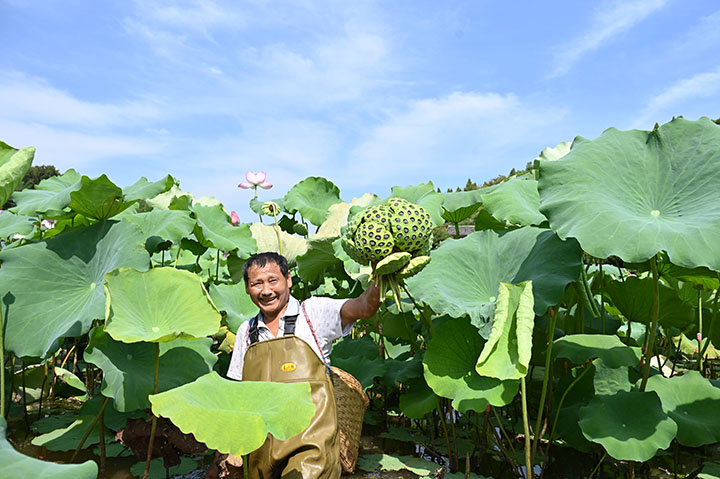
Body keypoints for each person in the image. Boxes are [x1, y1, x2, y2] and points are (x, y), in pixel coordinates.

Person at [226, 252, 380, 479]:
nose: (266, 290)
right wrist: (229, 451)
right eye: (257, 283)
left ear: (288, 279)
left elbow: (364, 307)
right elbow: (236, 395)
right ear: (248, 289)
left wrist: (381, 271)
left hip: (311, 447)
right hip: (260, 449)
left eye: (273, 281)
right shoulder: (246, 332)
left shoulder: (313, 314)